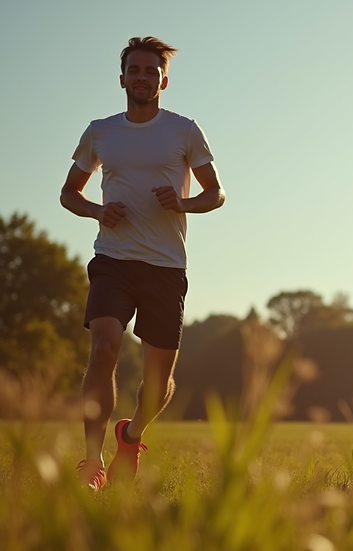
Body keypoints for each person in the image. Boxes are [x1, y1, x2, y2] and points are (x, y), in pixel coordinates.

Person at [61, 37, 226, 489]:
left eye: (150, 72)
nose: (141, 78)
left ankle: (130, 435)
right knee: (104, 347)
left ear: (162, 80)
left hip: (166, 266)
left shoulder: (184, 130)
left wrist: (182, 202)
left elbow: (217, 193)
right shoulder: (100, 132)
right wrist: (98, 211)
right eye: (134, 70)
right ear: (122, 79)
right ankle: (92, 463)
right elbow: (68, 193)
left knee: (158, 383)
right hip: (113, 258)